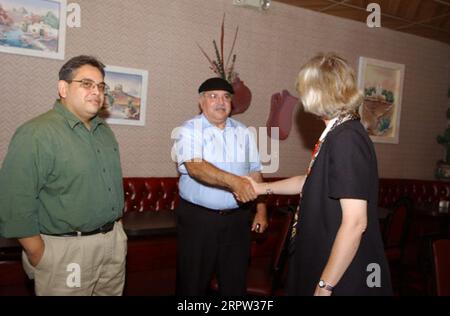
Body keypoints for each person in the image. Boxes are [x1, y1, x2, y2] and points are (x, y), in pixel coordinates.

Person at [246, 53, 392, 296]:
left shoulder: (346, 139)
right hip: (325, 260)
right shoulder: (338, 133)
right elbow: (311, 181)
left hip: (345, 276)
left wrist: (325, 286)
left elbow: (356, 223)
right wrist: (262, 188)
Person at [0, 55, 127, 296]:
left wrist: (117, 235)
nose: (96, 92)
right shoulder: (36, 134)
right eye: (87, 84)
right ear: (63, 88)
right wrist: (39, 253)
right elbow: (14, 201)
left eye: (100, 86)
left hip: (112, 245)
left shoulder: (104, 131)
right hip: (66, 250)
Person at [172, 77, 268, 296]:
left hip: (238, 219)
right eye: (213, 96)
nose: (220, 101)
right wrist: (234, 182)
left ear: (231, 103)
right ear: (201, 102)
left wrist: (261, 211)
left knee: (235, 283)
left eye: (226, 97)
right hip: (199, 220)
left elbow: (255, 172)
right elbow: (196, 167)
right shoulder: (189, 129)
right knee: (192, 284)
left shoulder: (244, 132)